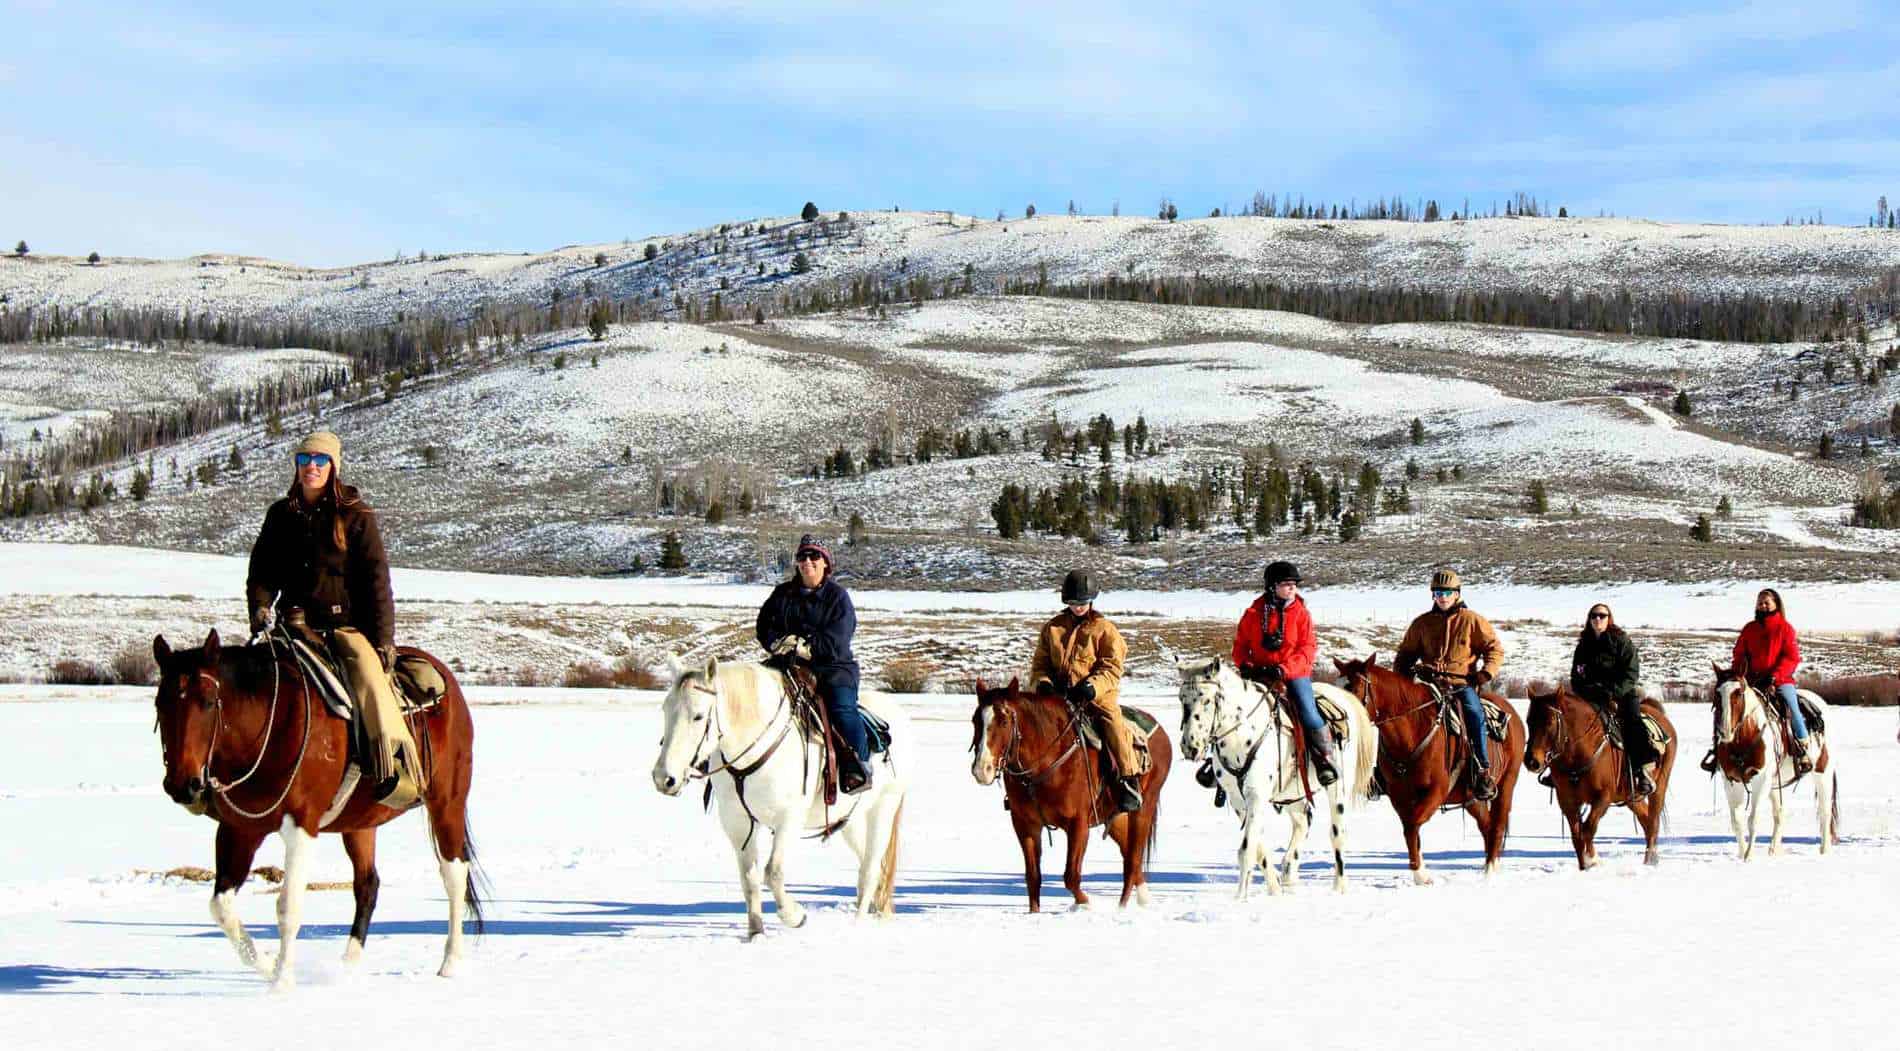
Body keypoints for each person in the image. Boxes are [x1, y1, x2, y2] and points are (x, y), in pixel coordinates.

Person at [246, 431, 423, 809]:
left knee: (369, 680)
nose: (312, 466)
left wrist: (383, 642)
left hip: (343, 628)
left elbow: (377, 580)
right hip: (292, 627)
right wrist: (260, 608)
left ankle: (395, 768)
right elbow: (262, 570)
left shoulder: (356, 514)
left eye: (321, 460)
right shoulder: (281, 515)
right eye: (305, 459)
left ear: (334, 466)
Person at [757, 534, 874, 793]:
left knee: (842, 709)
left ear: (825, 564)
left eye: (814, 556)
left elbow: (839, 637)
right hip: (787, 664)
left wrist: (807, 647)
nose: (807, 561)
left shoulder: (838, 597)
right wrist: (778, 642)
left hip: (832, 667)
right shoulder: (781, 594)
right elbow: (764, 625)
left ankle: (860, 766)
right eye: (802, 556)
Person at [1030, 570, 1141, 813]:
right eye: (1072, 603)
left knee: (1113, 722)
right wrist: (1043, 683)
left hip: (1096, 696)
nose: (1077, 608)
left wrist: (1093, 686)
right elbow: (1040, 664)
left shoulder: (1105, 629)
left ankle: (1128, 779)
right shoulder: (1052, 628)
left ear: (1091, 600)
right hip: (1059, 696)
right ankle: (1025, 783)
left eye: (1082, 603)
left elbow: (1112, 667)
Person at [1394, 568, 1503, 801]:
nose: (1442, 597)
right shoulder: (1421, 623)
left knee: (1474, 713)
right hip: (1428, 684)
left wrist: (1486, 673)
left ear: (1457, 594)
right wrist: (1401, 677)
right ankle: (1385, 771)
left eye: (1446, 592)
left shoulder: (1473, 620)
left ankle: (1482, 768)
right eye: (1437, 592)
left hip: (1460, 684)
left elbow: (1494, 648)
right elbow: (1406, 653)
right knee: (1397, 716)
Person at [1233, 560, 1337, 786]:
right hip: (1259, 674)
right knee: (1231, 709)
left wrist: (1285, 669)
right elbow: (1240, 645)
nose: (1292, 588)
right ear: (1272, 586)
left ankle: (1325, 758)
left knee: (1308, 711)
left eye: (1294, 584)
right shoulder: (1252, 613)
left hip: (1293, 675)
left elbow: (1307, 649)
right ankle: (1218, 764)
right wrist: (1244, 664)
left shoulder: (1301, 614)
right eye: (1286, 584)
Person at [1570, 603, 1659, 796]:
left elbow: (1631, 673)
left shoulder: (1621, 641)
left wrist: (1612, 692)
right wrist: (1586, 691)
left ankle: (1642, 769)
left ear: (1609, 618)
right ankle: (1566, 769)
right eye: (1594, 616)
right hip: (1591, 697)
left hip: (1622, 694)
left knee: (1632, 722)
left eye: (1602, 616)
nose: (1597, 620)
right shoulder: (1583, 646)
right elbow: (1576, 677)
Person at [1729, 587, 1812, 776]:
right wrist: (1739, 672)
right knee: (1729, 707)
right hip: (1752, 681)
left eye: (1767, 602)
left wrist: (1775, 676)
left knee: (1791, 705)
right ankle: (1720, 752)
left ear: (1776, 604)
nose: (1763, 606)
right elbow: (1739, 654)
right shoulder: (1750, 629)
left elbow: (1792, 657)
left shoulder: (1785, 628)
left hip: (1780, 680)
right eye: (1760, 602)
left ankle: (1803, 748)